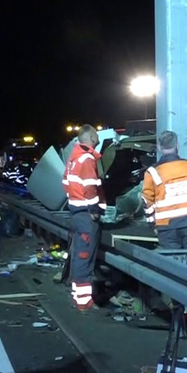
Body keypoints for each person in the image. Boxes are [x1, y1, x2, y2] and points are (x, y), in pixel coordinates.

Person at [142, 130, 187, 257]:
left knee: (174, 268)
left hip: (166, 228)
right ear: (177, 146)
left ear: (159, 147)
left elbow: (147, 203)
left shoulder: (152, 172)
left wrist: (153, 225)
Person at [62, 124, 106, 310]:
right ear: (92, 138)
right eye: (96, 136)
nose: (97, 138)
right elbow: (90, 187)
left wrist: (74, 199)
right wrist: (95, 209)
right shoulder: (87, 159)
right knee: (85, 255)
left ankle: (77, 294)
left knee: (80, 252)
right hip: (86, 214)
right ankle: (84, 301)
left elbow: (65, 182)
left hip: (76, 211)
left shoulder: (74, 158)